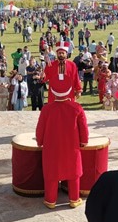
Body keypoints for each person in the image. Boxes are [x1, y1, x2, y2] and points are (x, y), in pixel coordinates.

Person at [36, 67, 89, 209]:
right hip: (72, 148)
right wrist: (84, 141)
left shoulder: (46, 109)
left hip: (51, 148)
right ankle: (74, 198)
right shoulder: (77, 108)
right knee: (74, 174)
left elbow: (40, 128)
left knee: (51, 175)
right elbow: (83, 128)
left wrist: (39, 141)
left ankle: (50, 200)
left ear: (52, 91)